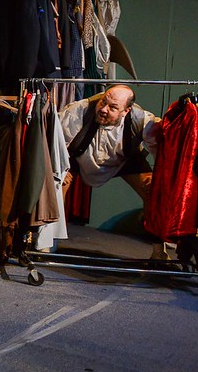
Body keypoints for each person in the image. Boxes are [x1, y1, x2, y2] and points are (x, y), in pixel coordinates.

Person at [58, 84, 167, 259]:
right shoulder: (80, 110)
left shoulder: (142, 120)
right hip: (79, 156)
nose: (103, 109)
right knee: (57, 183)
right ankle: (51, 238)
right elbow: (56, 142)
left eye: (113, 108)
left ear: (126, 111)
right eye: (103, 102)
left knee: (154, 189)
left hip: (124, 160)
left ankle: (157, 250)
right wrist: (60, 169)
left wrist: (159, 177)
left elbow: (161, 151)